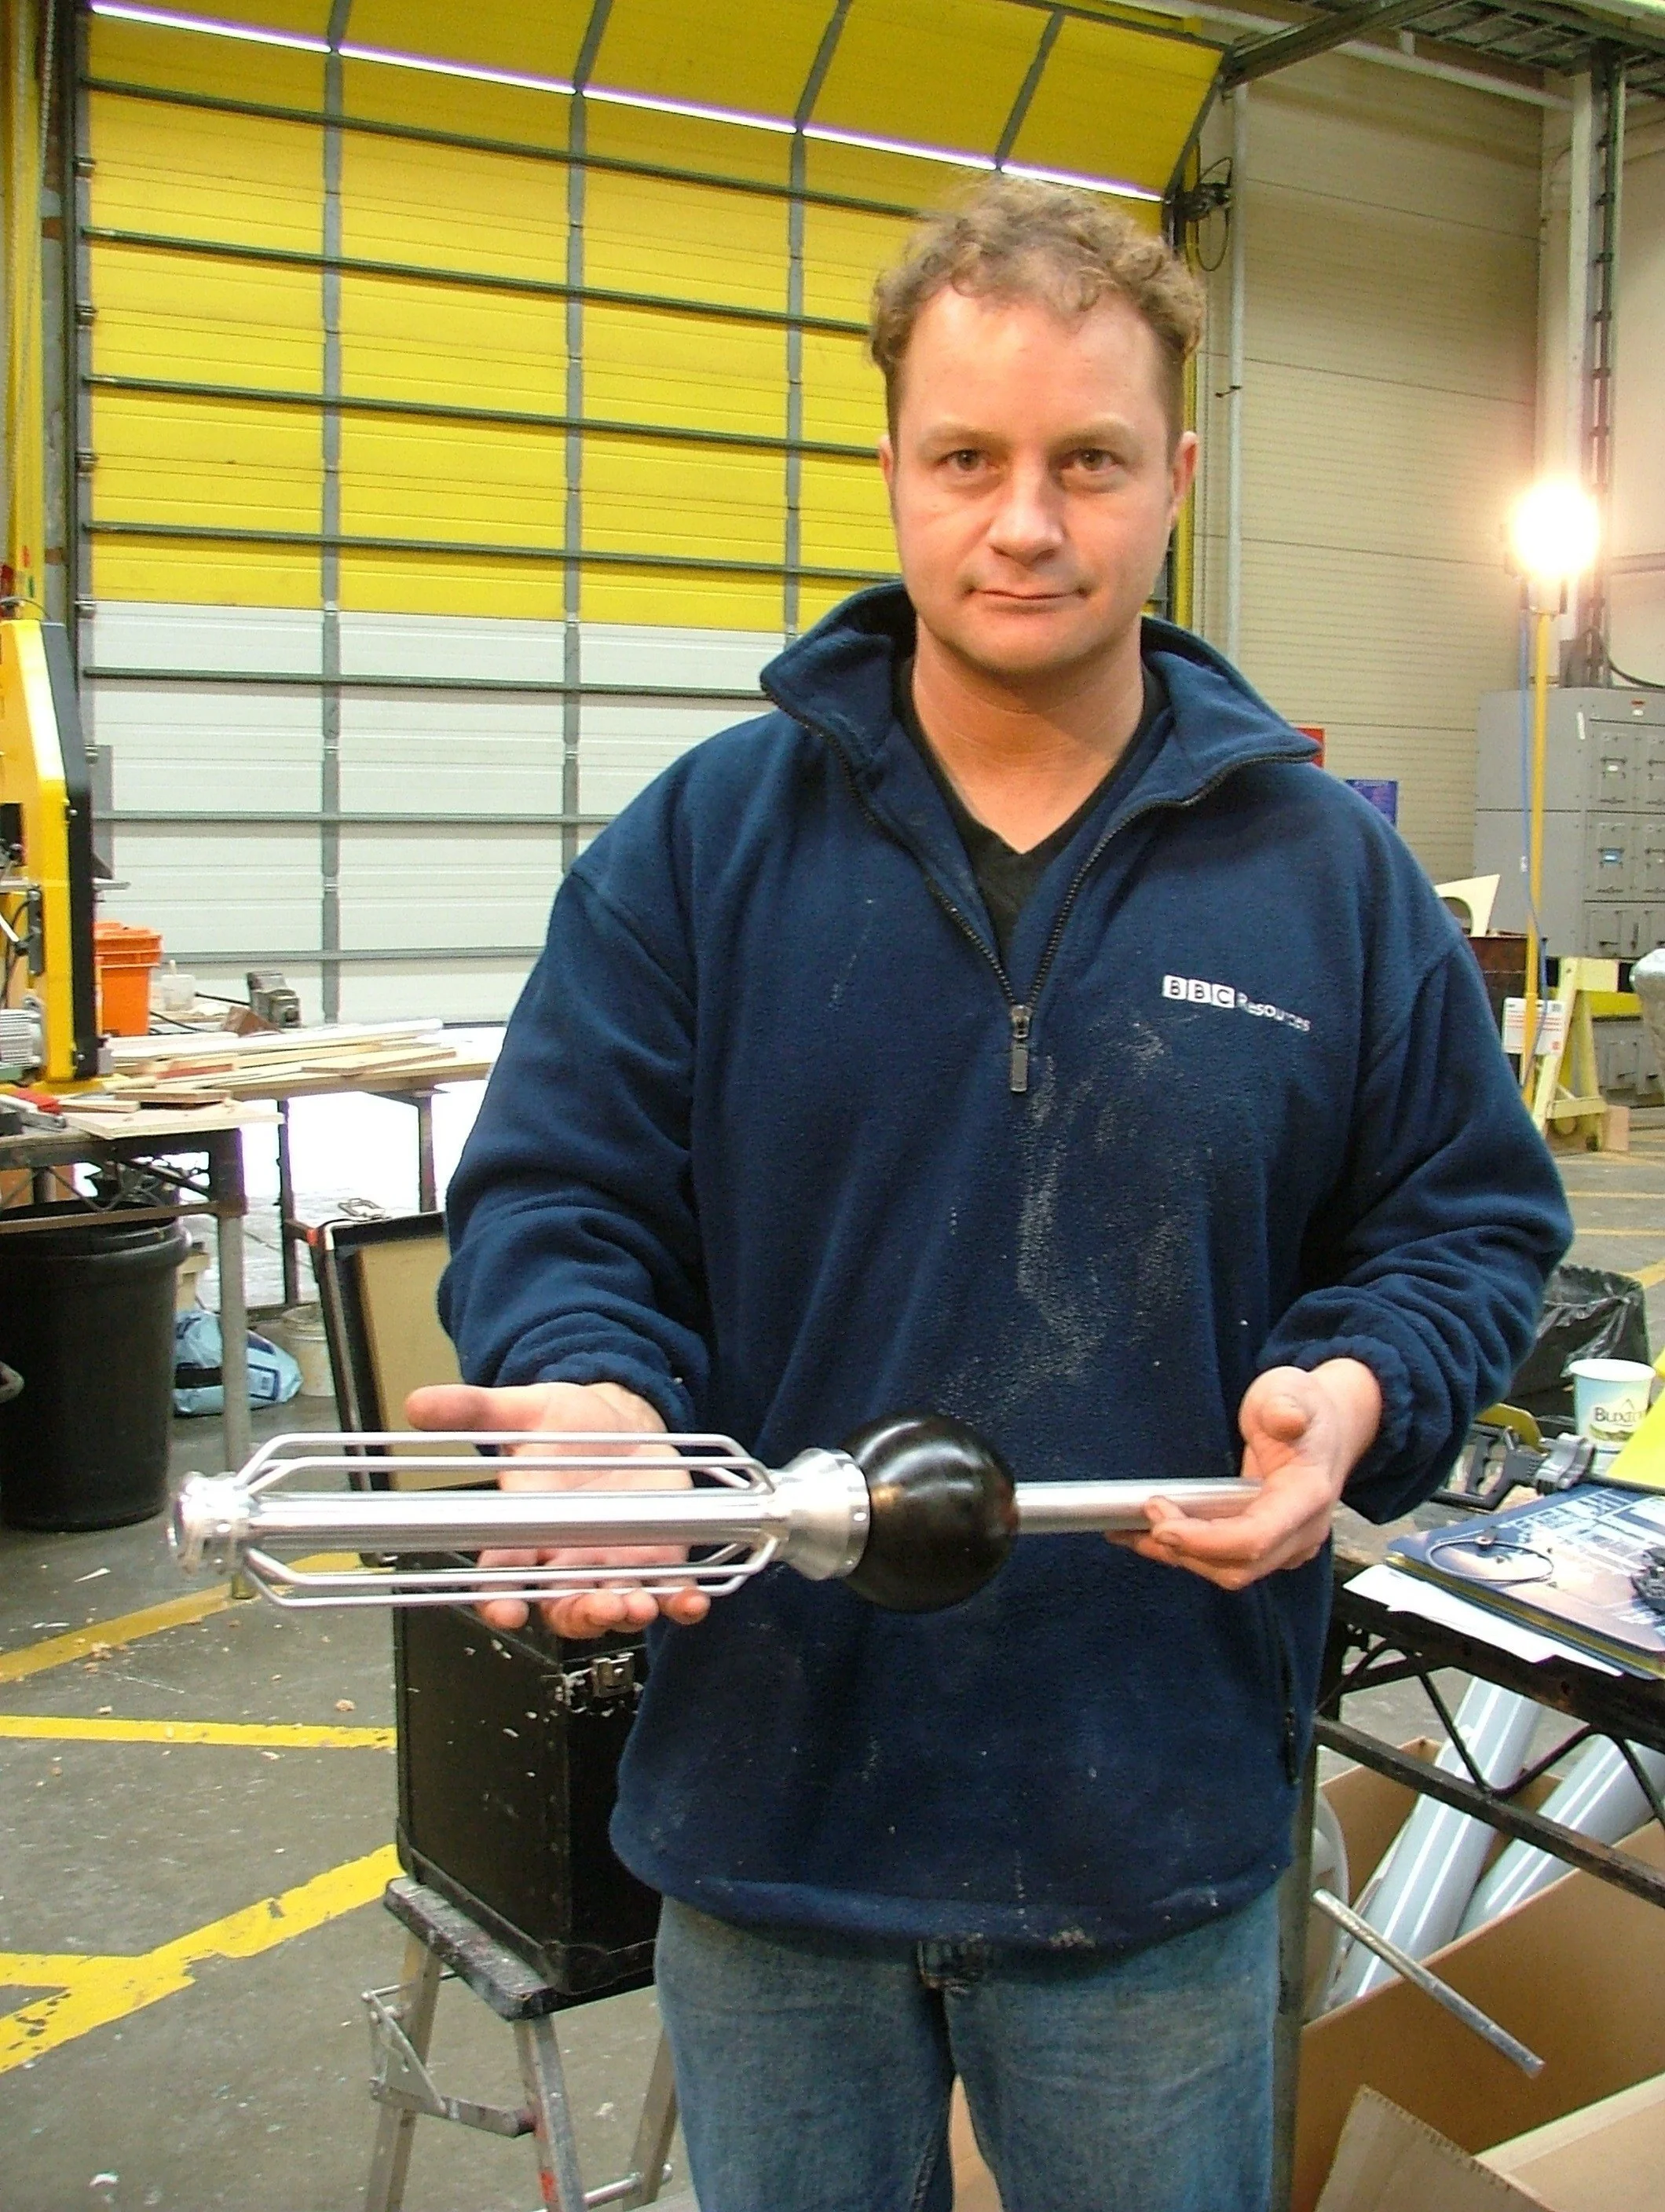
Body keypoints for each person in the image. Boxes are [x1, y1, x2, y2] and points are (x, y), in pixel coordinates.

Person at [413, 179, 1571, 2212]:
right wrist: (589, 1380)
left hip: (1153, 1844)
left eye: (1088, 462)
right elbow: (561, 1196)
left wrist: (1359, 1393)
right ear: (892, 470)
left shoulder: (1328, 880)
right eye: (967, 458)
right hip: (777, 1822)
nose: (1025, 522)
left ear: (1176, 479)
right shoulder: (703, 852)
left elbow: (1468, 1225)